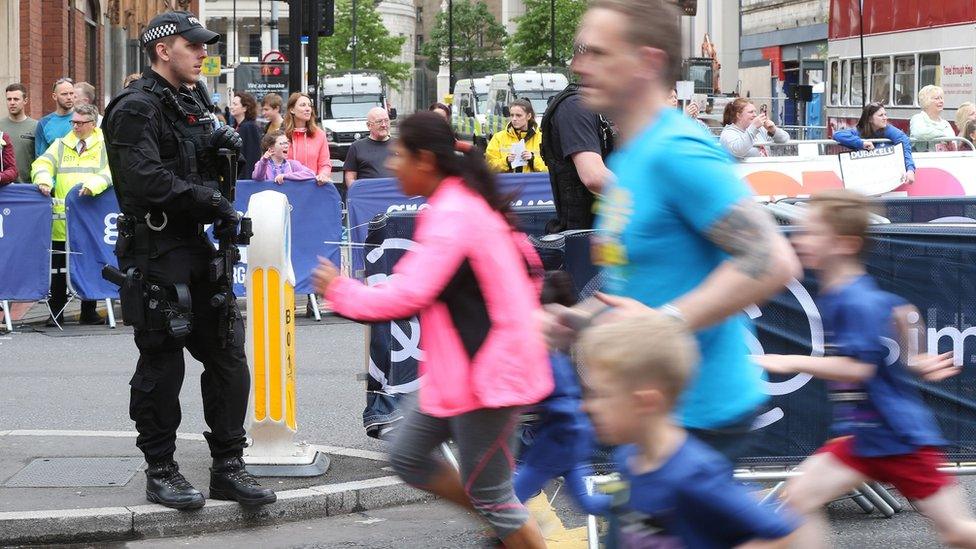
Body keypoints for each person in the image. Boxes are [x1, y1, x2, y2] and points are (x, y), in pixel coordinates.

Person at [545, 0, 800, 462]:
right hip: (649, 420)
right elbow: (643, 286)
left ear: (648, 62)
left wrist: (663, 325)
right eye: (581, 50)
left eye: (598, 52)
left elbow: (770, 260)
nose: (579, 64)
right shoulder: (630, 155)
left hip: (699, 420)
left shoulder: (677, 150)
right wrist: (576, 322)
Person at [311, 112, 551, 548]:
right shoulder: (453, 204)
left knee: (493, 494)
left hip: (488, 379)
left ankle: (509, 527)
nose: (391, 165)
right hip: (458, 377)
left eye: (399, 155)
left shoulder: (456, 213)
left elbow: (408, 294)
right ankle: (503, 527)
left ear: (424, 160)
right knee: (408, 457)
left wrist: (340, 290)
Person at [101, 10, 276, 510]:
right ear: (162, 50)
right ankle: (161, 470)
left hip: (198, 245)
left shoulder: (193, 99)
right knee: (163, 360)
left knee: (226, 350)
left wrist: (222, 192)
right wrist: (211, 202)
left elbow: (209, 162)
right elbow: (146, 181)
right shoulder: (136, 107)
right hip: (156, 249)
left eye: (204, 46)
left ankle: (228, 466)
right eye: (192, 45)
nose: (203, 53)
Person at [755, 189, 976, 548]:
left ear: (844, 244)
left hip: (899, 439)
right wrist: (914, 357)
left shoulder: (853, 298)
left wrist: (789, 361)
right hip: (862, 440)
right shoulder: (846, 291)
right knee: (796, 500)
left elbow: (859, 369)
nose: (800, 239)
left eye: (812, 232)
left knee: (958, 532)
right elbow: (903, 311)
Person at [579, 312, 798, 548]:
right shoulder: (627, 458)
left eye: (601, 395)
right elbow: (629, 517)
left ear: (645, 402)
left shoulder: (695, 474)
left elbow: (780, 533)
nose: (586, 406)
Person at [30, 104, 111, 326]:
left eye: (79, 123)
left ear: (92, 124)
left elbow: (110, 171)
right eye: (73, 122)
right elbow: (42, 163)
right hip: (61, 216)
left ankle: (89, 310)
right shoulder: (62, 144)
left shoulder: (104, 145)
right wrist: (44, 180)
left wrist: (94, 184)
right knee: (58, 267)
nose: (74, 126)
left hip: (90, 216)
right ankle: (55, 312)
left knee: (89, 264)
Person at [540, 81, 613, 232]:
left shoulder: (601, 106)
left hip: (609, 230)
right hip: (587, 234)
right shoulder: (576, 106)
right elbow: (594, 177)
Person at [833, 102, 916, 184]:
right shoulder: (859, 130)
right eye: (881, 115)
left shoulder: (888, 129)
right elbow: (837, 135)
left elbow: (904, 143)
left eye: (885, 114)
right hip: (864, 178)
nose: (885, 118)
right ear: (870, 119)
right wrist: (861, 143)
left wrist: (910, 169)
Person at [485, 98, 547, 173]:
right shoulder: (498, 138)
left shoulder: (542, 138)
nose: (514, 119)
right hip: (508, 184)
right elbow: (489, 167)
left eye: (518, 115)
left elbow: (551, 168)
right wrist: (506, 161)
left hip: (533, 183)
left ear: (529, 116)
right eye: (512, 115)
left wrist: (533, 160)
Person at [284, 92, 330, 184]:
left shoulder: (320, 134)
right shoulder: (281, 135)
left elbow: (325, 163)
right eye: (303, 105)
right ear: (292, 110)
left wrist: (323, 175)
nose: (308, 109)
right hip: (286, 186)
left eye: (309, 105)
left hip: (312, 186)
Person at [720, 98, 790, 159]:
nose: (755, 115)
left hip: (765, 172)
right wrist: (753, 127)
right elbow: (738, 150)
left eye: (755, 112)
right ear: (738, 115)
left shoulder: (759, 130)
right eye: (751, 112)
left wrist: (773, 130)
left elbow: (785, 139)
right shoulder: (728, 133)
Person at [343, 107, 392, 185]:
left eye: (386, 121)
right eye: (379, 121)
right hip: (367, 195)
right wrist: (356, 194)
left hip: (395, 195)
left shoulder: (400, 146)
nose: (384, 125)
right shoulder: (357, 147)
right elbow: (350, 177)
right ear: (369, 125)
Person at [0, 83, 38, 182]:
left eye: (16, 99)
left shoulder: (36, 126)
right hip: (3, 187)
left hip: (27, 187)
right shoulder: (0, 126)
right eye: (9, 99)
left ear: (25, 100)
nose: (12, 103)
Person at [35, 78, 75, 158]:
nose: (69, 97)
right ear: (54, 96)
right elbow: (41, 158)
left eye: (71, 93)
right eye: (64, 94)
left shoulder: (84, 119)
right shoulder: (44, 123)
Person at [910, 85, 955, 152]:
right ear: (926, 101)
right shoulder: (918, 118)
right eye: (937, 98)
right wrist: (943, 136)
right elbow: (920, 133)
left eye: (941, 98)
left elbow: (954, 141)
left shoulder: (945, 123)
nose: (941, 101)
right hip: (925, 159)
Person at [229, 92, 262, 180]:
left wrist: (247, 179)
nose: (231, 107)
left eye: (235, 104)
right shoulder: (236, 127)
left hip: (245, 178)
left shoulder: (250, 127)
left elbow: (252, 156)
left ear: (245, 108)